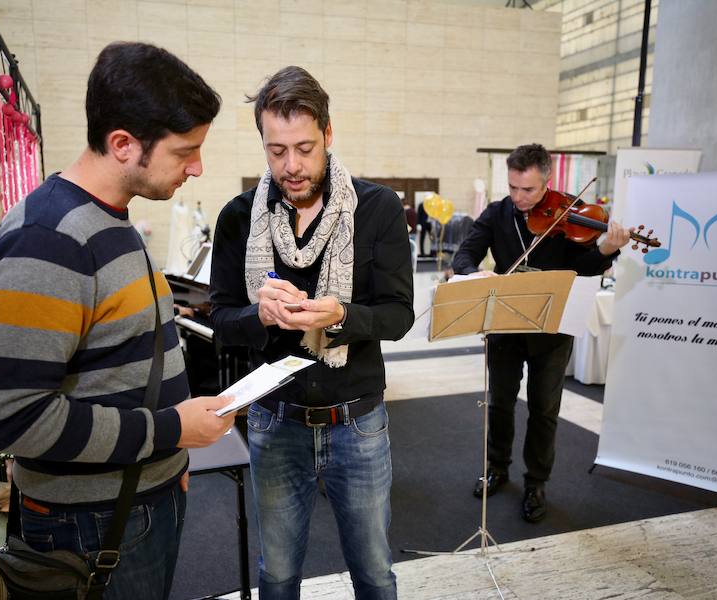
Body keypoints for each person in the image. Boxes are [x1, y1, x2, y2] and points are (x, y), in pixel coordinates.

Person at [0, 42, 236, 600]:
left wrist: (170, 458)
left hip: (136, 496)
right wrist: (172, 431)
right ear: (123, 144)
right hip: (88, 522)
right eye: (185, 151)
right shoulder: (47, 240)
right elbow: (10, 421)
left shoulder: (109, 221)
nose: (197, 167)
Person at [210, 66, 414, 600]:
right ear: (262, 142)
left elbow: (399, 315)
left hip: (358, 422)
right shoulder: (239, 217)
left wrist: (340, 316)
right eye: (277, 151)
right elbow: (220, 321)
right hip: (276, 423)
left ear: (328, 132)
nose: (292, 166)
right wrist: (261, 314)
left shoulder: (377, 209)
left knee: (373, 572)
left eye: (303, 147)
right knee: (277, 576)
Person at [451, 143, 632, 523]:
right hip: (505, 324)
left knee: (544, 409)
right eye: (514, 187)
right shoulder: (497, 212)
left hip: (553, 327)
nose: (519, 198)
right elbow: (464, 253)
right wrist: (473, 272)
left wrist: (606, 250)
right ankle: (497, 467)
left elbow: (582, 267)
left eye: (528, 190)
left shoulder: (568, 212)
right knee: (499, 403)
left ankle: (536, 481)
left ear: (547, 180)